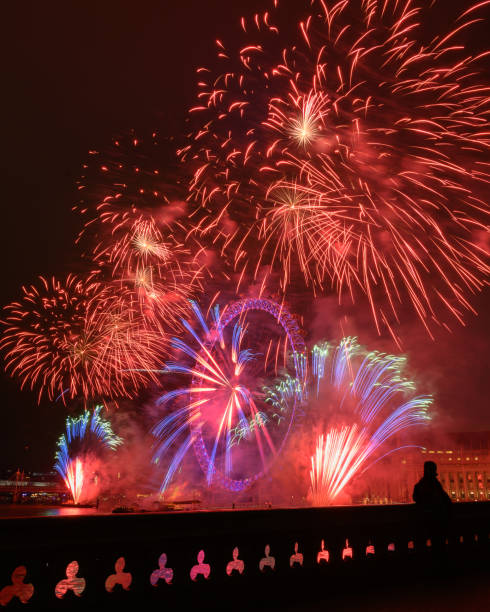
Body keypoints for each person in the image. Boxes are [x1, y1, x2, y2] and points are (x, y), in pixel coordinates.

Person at [413, 460, 452, 553]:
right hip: (437, 520)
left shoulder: (419, 485)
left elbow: (415, 498)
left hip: (427, 520)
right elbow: (446, 499)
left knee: (432, 545)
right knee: (439, 545)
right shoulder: (435, 484)